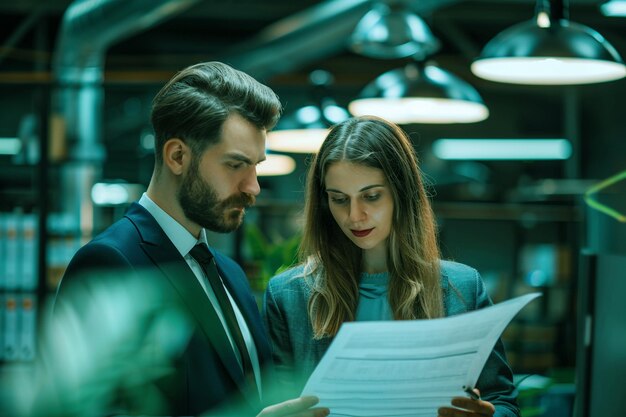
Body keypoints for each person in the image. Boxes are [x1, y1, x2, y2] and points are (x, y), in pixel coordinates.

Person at [54, 62, 329, 417]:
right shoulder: (110, 263)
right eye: (235, 165)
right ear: (177, 156)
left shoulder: (230, 274)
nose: (254, 187)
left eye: (256, 165)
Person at [262, 116, 520, 417]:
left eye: (371, 196)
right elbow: (271, 404)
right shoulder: (289, 295)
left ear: (402, 192)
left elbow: (503, 403)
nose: (354, 216)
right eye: (339, 199)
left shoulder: (461, 287)